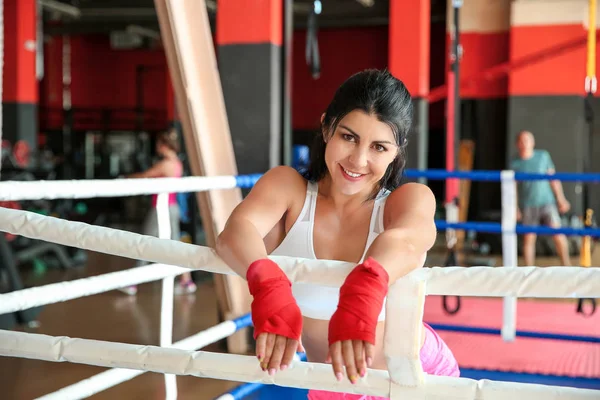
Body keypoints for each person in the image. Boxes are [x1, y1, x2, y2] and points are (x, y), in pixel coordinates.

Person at [216, 70, 459, 400]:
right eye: (349, 137)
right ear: (327, 127)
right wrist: (268, 284)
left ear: (397, 151)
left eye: (378, 147)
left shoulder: (408, 199)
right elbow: (235, 232)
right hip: (334, 386)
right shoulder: (290, 190)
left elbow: (408, 240)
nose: (359, 160)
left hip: (418, 378)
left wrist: (364, 288)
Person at [120, 128, 197, 296]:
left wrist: (125, 178)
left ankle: (132, 283)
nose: (156, 146)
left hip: (162, 208)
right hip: (171, 207)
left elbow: (146, 175)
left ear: (164, 145)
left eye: (158, 143)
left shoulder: (166, 164)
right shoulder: (176, 162)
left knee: (144, 243)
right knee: (174, 245)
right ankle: (187, 280)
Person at [510, 130, 571, 267]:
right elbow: (512, 189)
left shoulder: (543, 156)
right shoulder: (514, 163)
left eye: (527, 140)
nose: (525, 143)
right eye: (522, 140)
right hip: (528, 205)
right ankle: (529, 271)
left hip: (547, 202)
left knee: (558, 234)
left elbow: (553, 179)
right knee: (529, 239)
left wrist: (561, 199)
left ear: (533, 142)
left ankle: (567, 267)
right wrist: (515, 208)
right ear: (517, 144)